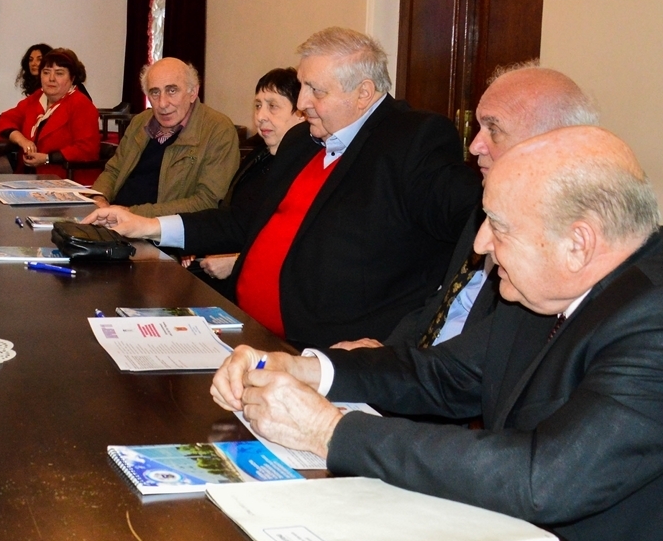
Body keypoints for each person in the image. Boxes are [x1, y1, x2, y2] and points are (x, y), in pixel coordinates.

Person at [210, 126, 663, 541]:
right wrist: (307, 369)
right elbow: (442, 375)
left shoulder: (653, 318)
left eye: (499, 226)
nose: (480, 244)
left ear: (578, 245)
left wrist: (328, 431)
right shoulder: (543, 286)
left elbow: (544, 478)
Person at [83, 28, 479, 348]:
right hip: (241, 325)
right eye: (302, 86)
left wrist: (404, 341)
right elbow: (240, 223)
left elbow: (475, 229)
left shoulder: (411, 140)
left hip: (323, 350)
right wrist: (146, 226)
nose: (302, 102)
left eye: (316, 90)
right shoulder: (302, 141)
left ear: (363, 93)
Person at [336, 61, 599, 350]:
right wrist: (383, 353)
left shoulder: (557, 246)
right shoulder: (487, 204)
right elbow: (438, 306)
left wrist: (388, 367)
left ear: (546, 142)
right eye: (479, 127)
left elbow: (480, 362)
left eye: (493, 129)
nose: (474, 146)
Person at [195, 67, 306, 291]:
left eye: (272, 106)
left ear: (301, 113)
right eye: (257, 105)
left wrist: (237, 261)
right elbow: (232, 217)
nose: (260, 116)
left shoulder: (305, 170)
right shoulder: (259, 154)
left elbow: (292, 246)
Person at [88, 57, 240, 218]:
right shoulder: (140, 122)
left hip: (158, 227)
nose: (162, 104)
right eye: (155, 92)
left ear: (193, 92)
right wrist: (99, 198)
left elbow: (207, 201)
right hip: (113, 218)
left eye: (172, 91)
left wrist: (130, 214)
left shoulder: (218, 130)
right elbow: (113, 171)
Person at [0, 47, 103, 184]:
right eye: (46, 73)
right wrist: (22, 140)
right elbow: (5, 119)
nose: (51, 79)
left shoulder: (81, 104)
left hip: (66, 181)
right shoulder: (38, 97)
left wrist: (47, 158)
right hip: (29, 179)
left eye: (59, 73)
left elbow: (87, 149)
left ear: (72, 78)